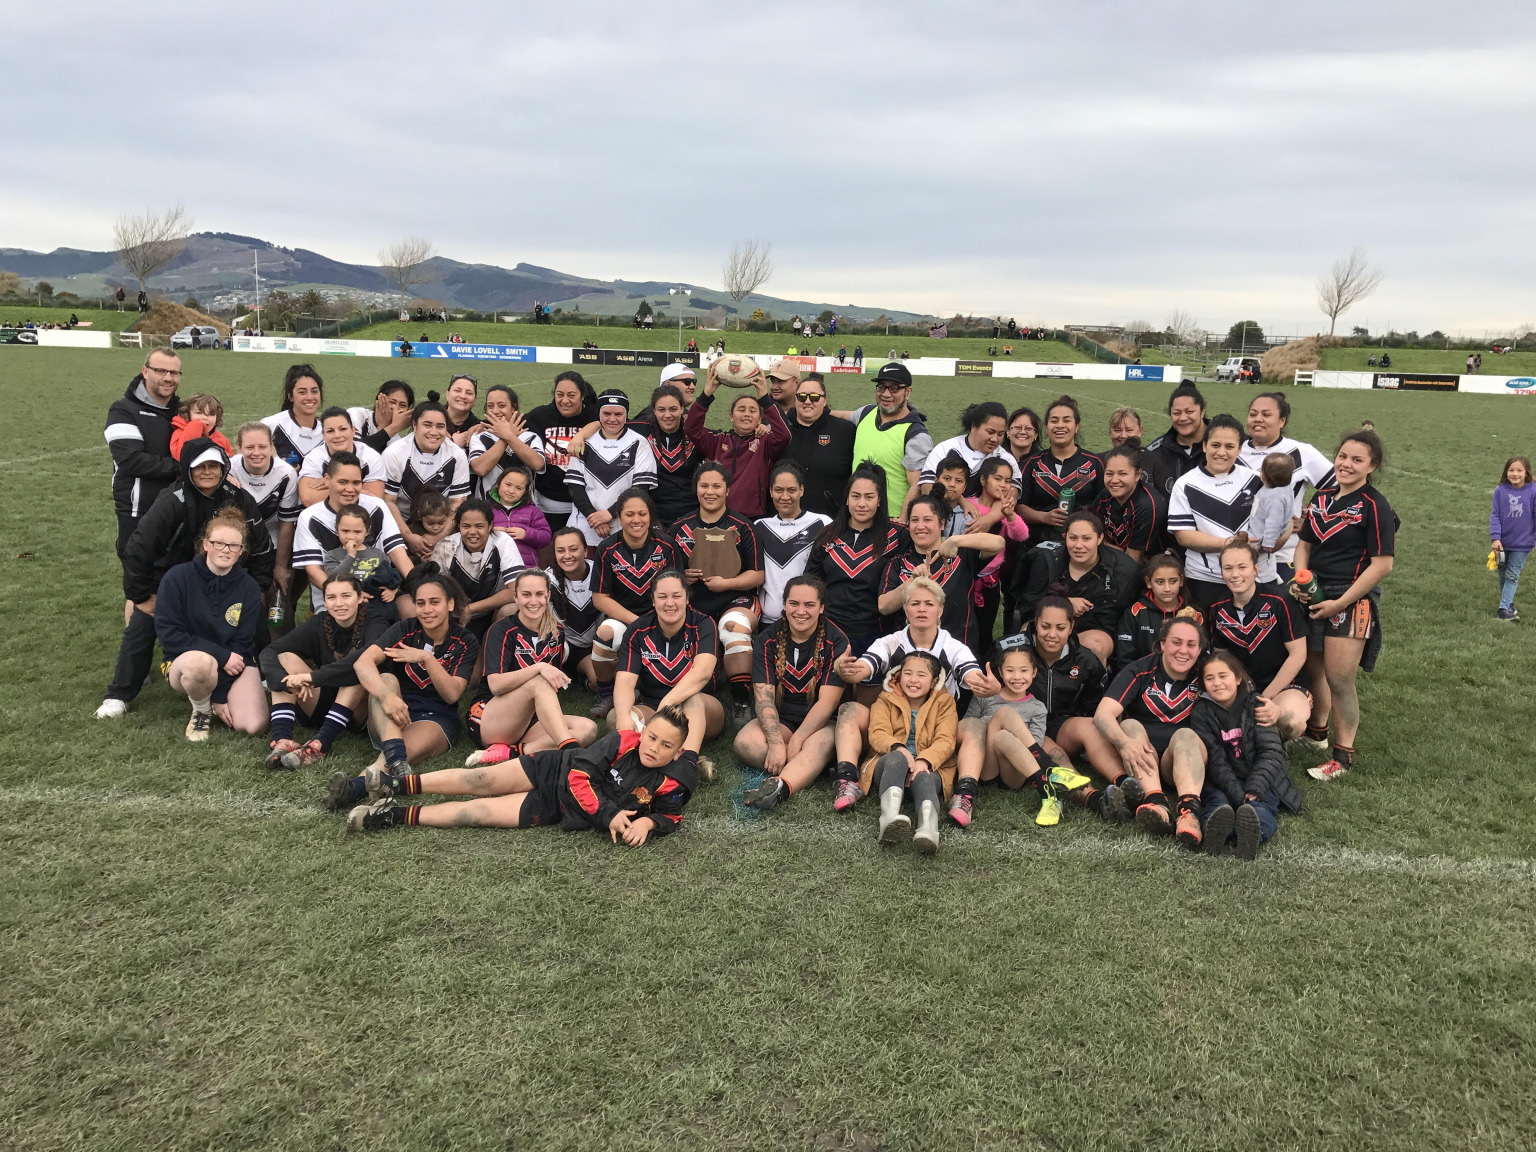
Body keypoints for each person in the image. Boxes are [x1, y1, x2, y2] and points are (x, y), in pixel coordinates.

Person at [343, 706, 697, 845]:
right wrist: (610, 815)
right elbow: (578, 777)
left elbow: (671, 815)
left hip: (558, 808)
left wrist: (648, 825)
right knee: (480, 781)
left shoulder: (674, 781)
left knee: (479, 814)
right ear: (643, 731)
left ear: (678, 753)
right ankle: (395, 783)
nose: (653, 748)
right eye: (651, 736)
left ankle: (392, 815)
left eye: (666, 746)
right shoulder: (621, 741)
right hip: (554, 768)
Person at [100, 439, 276, 716]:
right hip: (171, 578)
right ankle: (119, 694)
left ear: (224, 468)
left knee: (251, 620)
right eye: (200, 467)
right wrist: (142, 596)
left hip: (222, 573)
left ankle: (263, 674)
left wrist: (256, 587)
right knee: (143, 623)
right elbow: (137, 549)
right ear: (187, 469)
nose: (207, 472)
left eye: (214, 466)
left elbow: (263, 547)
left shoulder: (239, 498)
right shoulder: (171, 500)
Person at [830, 578, 1000, 811]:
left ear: (940, 610)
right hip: (894, 728)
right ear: (905, 609)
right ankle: (847, 780)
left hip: (936, 731)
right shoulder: (890, 642)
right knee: (850, 710)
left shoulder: (953, 646)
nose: (921, 609)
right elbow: (863, 668)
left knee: (974, 726)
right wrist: (845, 669)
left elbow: (970, 673)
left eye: (929, 604)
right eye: (915, 603)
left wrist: (989, 686)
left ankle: (964, 795)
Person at [324, 569, 478, 812]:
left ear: (450, 604)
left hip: (435, 719)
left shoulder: (465, 640)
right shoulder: (405, 628)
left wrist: (427, 658)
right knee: (385, 678)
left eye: (434, 602)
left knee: (398, 753)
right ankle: (393, 760)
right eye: (420, 603)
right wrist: (386, 698)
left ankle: (353, 788)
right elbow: (361, 663)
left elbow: (452, 694)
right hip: (393, 715)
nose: (427, 610)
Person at [1291, 429, 1397, 782]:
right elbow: (1304, 544)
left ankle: (1343, 756)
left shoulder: (1375, 505)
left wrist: (1340, 603)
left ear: (1372, 466)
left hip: (1352, 599)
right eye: (1343, 456)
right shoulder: (1322, 497)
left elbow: (1382, 565)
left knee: (1339, 678)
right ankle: (1316, 734)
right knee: (1315, 669)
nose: (1346, 464)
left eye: (1357, 460)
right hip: (1317, 593)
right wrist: (1302, 579)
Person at [154, 505, 269, 742]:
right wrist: (220, 655)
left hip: (234, 661)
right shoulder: (176, 578)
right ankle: (201, 709)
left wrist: (221, 693)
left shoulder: (248, 588)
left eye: (234, 546)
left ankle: (214, 698)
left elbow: (243, 643)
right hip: (185, 659)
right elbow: (170, 635)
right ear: (206, 544)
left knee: (253, 725)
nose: (226, 550)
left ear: (241, 551)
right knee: (200, 663)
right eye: (219, 543)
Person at [950, 643, 1093, 829]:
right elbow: (970, 727)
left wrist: (1004, 731)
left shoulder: (1037, 708)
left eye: (1024, 670)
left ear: (1034, 672)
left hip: (1015, 772)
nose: (1017, 677)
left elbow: (1034, 742)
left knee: (1003, 735)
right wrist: (992, 724)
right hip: (987, 765)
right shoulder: (985, 696)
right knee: (1004, 714)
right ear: (1000, 672)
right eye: (1010, 670)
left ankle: (1048, 794)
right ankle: (1049, 770)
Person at [736, 576, 850, 810]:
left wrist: (798, 739)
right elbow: (763, 697)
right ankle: (809, 767)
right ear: (784, 605)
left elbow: (827, 703)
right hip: (784, 718)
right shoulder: (768, 639)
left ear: (821, 608)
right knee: (745, 743)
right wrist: (777, 742)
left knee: (819, 745)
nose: (801, 611)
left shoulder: (837, 640)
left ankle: (781, 786)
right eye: (794, 603)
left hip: (823, 722)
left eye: (809, 605)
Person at [462, 569, 598, 763]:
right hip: (489, 716)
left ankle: (512, 752)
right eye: (526, 595)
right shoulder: (501, 630)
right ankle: (572, 753)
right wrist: (538, 667)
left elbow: (553, 686)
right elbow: (495, 685)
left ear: (548, 596)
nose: (533, 601)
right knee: (539, 682)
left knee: (588, 730)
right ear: (516, 597)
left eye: (539, 594)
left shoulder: (557, 631)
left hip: (529, 719)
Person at [1093, 616, 1208, 844]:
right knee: (1128, 725)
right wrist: (1123, 743)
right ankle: (1157, 802)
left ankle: (1189, 813)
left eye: (1191, 645)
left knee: (1184, 735)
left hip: (1184, 757)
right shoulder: (1140, 669)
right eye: (1176, 642)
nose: (1183, 651)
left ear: (1200, 649)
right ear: (1163, 643)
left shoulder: (1207, 673)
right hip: (1146, 757)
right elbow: (1102, 715)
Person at [671, 462, 765, 725]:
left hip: (735, 599)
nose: (709, 491)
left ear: (727, 490)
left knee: (732, 627)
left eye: (716, 486)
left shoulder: (743, 527)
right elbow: (670, 574)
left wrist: (726, 583)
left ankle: (741, 700)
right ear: (696, 489)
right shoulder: (680, 528)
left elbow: (758, 574)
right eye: (704, 485)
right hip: (695, 602)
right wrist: (683, 578)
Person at [259, 573, 383, 769]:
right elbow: (270, 651)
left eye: (346, 596)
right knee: (284, 658)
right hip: (321, 702)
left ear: (360, 598)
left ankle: (320, 744)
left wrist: (312, 677)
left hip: (359, 709)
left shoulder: (375, 621)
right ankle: (282, 739)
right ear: (324, 600)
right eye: (331, 597)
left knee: (360, 667)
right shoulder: (320, 622)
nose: (339, 603)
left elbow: (364, 659)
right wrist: (284, 681)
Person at [1190, 650, 1302, 859]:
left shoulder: (1258, 705)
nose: (1217, 683)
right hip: (1221, 780)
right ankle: (1216, 832)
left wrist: (1256, 785)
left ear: (1238, 678)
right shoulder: (1200, 712)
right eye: (1209, 678)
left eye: (1223, 676)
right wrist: (1235, 792)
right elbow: (1215, 759)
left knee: (1260, 806)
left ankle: (1252, 834)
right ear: (1203, 683)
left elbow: (1271, 752)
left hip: (1260, 777)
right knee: (1217, 802)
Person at [613, 571, 724, 778]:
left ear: (687, 599)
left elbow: (702, 673)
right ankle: (664, 757)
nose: (670, 603)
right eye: (662, 597)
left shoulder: (703, 624)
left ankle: (685, 765)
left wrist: (666, 705)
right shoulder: (637, 631)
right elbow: (625, 682)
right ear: (653, 600)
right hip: (652, 706)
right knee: (615, 717)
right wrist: (622, 716)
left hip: (702, 710)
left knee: (692, 700)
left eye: (677, 596)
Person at [589, 488, 684, 719]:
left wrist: (658, 620)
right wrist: (635, 622)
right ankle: (605, 692)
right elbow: (600, 598)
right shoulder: (607, 548)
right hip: (624, 618)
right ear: (619, 517)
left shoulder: (667, 545)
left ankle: (651, 691)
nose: (636, 520)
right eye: (629, 514)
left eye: (642, 513)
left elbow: (678, 589)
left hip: (663, 617)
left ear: (650, 515)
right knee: (605, 633)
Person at [1205, 535, 1311, 740]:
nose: (1235, 574)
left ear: (1255, 569)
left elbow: (1298, 655)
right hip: (1242, 688)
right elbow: (1220, 659)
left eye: (1242, 567)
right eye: (1228, 568)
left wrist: (1264, 697)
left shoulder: (1280, 601)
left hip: (1283, 687)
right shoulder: (1217, 609)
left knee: (1291, 720)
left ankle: (1283, 738)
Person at [805, 461, 908, 657]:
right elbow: (811, 582)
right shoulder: (827, 534)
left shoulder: (898, 536)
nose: (862, 504)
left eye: (869, 497)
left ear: (879, 500)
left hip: (877, 634)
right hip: (830, 631)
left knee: (867, 685)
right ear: (846, 499)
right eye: (855, 496)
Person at [875, 494, 1003, 651]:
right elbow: (884, 606)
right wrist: (911, 582)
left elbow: (998, 543)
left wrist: (955, 540)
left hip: (958, 653)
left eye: (927, 520)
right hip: (912, 658)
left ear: (942, 523)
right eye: (914, 520)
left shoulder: (961, 555)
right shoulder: (898, 563)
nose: (920, 526)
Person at [860, 651, 957, 854]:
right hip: (888, 764)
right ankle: (889, 818)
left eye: (921, 675)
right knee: (897, 759)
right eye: (908, 673)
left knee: (925, 777)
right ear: (899, 675)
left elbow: (946, 740)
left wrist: (924, 760)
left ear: (934, 681)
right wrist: (899, 748)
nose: (913, 680)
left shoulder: (945, 702)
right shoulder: (885, 699)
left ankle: (928, 830)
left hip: (927, 766)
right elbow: (877, 733)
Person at [292, 452, 413, 613]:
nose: (350, 489)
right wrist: (348, 596)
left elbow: (398, 554)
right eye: (343, 482)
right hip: (335, 599)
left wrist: (418, 585)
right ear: (327, 480)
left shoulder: (377, 506)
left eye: (356, 482)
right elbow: (314, 572)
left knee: (412, 608)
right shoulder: (309, 517)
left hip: (379, 596)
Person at [1167, 414, 1266, 609]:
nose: (1221, 452)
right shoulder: (1186, 484)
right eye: (1215, 445)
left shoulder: (1256, 480)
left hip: (1251, 578)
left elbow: (1274, 521)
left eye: (1229, 447)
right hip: (1204, 578)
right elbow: (1183, 536)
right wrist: (1228, 544)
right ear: (1204, 445)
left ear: (1239, 449)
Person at [1019, 510, 1139, 664]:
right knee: (1026, 634)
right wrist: (1064, 604)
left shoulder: (1122, 569)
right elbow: (1029, 604)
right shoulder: (1046, 560)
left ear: (1100, 538)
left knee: (1096, 645)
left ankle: (1092, 686)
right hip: (1050, 624)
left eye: (1086, 539)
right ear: (1064, 537)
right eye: (1073, 538)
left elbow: (1128, 614)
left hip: (1094, 630)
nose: (1079, 546)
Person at [1239, 391, 1335, 581]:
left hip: (1284, 556)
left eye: (1266, 415)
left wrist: (1311, 521)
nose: (1258, 419)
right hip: (1237, 556)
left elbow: (1340, 491)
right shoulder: (1233, 450)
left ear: (1282, 421)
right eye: (1253, 414)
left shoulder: (1301, 452)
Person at [103, 350, 182, 569]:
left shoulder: (182, 411)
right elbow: (132, 461)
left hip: (179, 506)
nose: (168, 378)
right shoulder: (123, 410)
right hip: (138, 509)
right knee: (140, 585)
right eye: (161, 371)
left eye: (174, 372)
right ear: (145, 371)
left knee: (174, 581)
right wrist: (184, 467)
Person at [685, 362, 790, 519]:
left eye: (752, 410)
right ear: (731, 417)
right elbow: (691, 428)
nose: (746, 414)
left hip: (754, 516)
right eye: (741, 410)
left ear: (760, 418)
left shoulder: (765, 442)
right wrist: (705, 395)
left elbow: (784, 435)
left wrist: (764, 399)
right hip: (719, 515)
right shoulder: (718, 441)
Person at [838, 363, 932, 519]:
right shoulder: (866, 413)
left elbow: (917, 485)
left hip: (890, 518)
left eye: (894, 388)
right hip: (857, 514)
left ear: (908, 392)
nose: (886, 394)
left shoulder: (915, 434)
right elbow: (839, 416)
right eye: (881, 387)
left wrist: (902, 519)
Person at [565, 389, 657, 545]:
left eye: (618, 414)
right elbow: (575, 487)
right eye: (606, 413)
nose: (612, 419)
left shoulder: (639, 443)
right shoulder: (584, 442)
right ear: (599, 414)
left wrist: (610, 513)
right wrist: (594, 517)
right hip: (585, 525)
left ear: (626, 414)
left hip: (622, 526)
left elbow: (640, 488)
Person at [381, 397, 472, 554]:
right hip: (400, 527)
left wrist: (440, 536)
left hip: (441, 528)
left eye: (440, 426)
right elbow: (388, 500)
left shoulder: (456, 455)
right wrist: (408, 536)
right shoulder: (394, 453)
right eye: (427, 425)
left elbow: (457, 501)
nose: (434, 432)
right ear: (414, 426)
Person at [229, 421, 299, 622]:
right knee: (245, 602)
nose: (256, 452)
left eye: (262, 447)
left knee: (276, 607)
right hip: (238, 544)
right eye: (249, 447)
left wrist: (280, 566)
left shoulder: (286, 474)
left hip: (273, 543)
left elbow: (287, 523)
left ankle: (279, 649)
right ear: (239, 447)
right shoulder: (228, 468)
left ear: (271, 446)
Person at [429, 498, 525, 644]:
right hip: (455, 615)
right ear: (458, 526)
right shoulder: (446, 546)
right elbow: (433, 592)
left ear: (490, 525)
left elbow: (515, 591)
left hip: (492, 612)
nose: (472, 532)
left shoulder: (502, 541)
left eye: (479, 526)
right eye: (466, 526)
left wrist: (471, 609)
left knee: (512, 609)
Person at [754, 462, 833, 627]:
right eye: (778, 490)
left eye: (791, 490)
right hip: (769, 623)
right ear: (770, 491)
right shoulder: (759, 526)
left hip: (809, 620)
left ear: (801, 490)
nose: (785, 496)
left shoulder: (823, 523)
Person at [1018, 395, 1102, 545]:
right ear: (1047, 426)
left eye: (1067, 420)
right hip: (1037, 543)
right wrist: (1043, 517)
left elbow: (1104, 506)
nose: (1060, 425)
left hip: (1081, 544)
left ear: (1076, 426)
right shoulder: (1031, 463)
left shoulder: (1094, 463)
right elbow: (1018, 506)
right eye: (1054, 420)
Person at [962, 456, 1029, 644]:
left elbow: (1021, 535)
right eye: (997, 479)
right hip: (965, 578)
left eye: (1008, 481)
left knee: (985, 630)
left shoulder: (1005, 510)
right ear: (983, 480)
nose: (1003, 485)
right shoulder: (968, 504)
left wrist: (1011, 515)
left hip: (990, 582)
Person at [523, 371, 600, 530]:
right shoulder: (540, 416)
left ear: (582, 395)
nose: (565, 400)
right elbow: (510, 422)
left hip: (589, 507)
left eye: (571, 395)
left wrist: (581, 435)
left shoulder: (595, 414)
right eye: (560, 394)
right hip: (549, 505)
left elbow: (618, 421)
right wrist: (479, 426)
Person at [781, 375, 855, 517]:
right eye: (802, 397)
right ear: (795, 399)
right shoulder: (780, 429)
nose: (807, 402)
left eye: (814, 397)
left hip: (831, 522)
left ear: (825, 400)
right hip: (785, 521)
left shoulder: (845, 431)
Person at [629, 381, 701, 526]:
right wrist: (580, 436)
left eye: (673, 409)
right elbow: (607, 422)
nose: (667, 415)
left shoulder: (695, 435)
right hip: (653, 516)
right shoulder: (641, 430)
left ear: (682, 409)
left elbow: (726, 441)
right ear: (653, 410)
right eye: (661, 409)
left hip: (691, 515)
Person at [918, 401, 1022, 498]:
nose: (995, 439)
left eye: (1000, 434)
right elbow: (927, 488)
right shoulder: (945, 449)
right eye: (990, 432)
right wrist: (962, 502)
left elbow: (1010, 498)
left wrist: (983, 517)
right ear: (973, 427)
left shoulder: (1006, 459)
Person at [1114, 553, 1201, 667]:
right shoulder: (1135, 613)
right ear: (1148, 582)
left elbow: (1202, 656)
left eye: (1173, 581)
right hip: (1143, 678)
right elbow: (1125, 659)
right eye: (1160, 582)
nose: (1167, 588)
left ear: (1181, 581)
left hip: (1184, 679)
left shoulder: (1195, 615)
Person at [467, 384, 547, 500]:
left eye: (502, 405)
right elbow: (480, 468)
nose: (495, 411)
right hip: (487, 509)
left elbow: (537, 464)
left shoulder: (530, 437)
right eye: (490, 406)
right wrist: (505, 438)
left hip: (524, 511)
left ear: (513, 409)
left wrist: (510, 437)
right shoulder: (480, 436)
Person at [297, 406, 387, 507]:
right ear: (323, 435)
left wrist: (331, 484)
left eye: (343, 429)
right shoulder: (314, 458)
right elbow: (309, 500)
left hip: (361, 517)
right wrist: (358, 491)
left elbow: (372, 501)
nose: (337, 435)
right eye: (330, 431)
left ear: (353, 430)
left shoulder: (370, 457)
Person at [1092, 441, 1166, 563]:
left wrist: (1099, 543)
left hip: (1154, 568)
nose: (1114, 480)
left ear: (1138, 475)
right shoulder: (1105, 495)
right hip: (1119, 559)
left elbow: (1132, 560)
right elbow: (1090, 529)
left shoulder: (1148, 505)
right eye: (1109, 474)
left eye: (1122, 474)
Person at [547, 525, 600, 691]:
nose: (567, 556)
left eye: (573, 549)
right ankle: (568, 670)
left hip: (598, 644)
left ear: (585, 551)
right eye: (560, 551)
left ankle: (579, 678)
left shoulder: (601, 572)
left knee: (601, 681)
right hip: (564, 648)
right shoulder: (546, 579)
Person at [320, 504, 402, 609]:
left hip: (377, 604)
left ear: (367, 531)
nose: (351, 536)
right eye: (345, 531)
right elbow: (334, 578)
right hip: (347, 606)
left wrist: (393, 590)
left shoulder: (377, 554)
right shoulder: (332, 556)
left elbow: (392, 576)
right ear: (337, 530)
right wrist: (350, 555)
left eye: (357, 532)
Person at [1140, 383, 1208, 498]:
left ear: (1202, 412)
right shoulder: (1155, 451)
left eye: (1189, 412)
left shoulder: (1223, 444)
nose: (1182, 418)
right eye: (1176, 413)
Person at [1491, 455, 1533, 621]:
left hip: (1523, 543)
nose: (1515, 473)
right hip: (1502, 542)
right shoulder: (1500, 490)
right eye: (1511, 470)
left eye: (1519, 470)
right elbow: (1495, 515)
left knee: (1512, 574)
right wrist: (1495, 538)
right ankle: (1508, 605)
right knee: (1502, 573)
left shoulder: (1533, 490)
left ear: (1526, 473)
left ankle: (1503, 610)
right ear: (1506, 471)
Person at [263, 364, 326, 466]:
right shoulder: (271, 425)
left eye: (314, 391)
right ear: (290, 396)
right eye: (302, 392)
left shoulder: (328, 432)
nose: (310, 397)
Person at [489, 465, 552, 567]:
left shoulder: (532, 511)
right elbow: (476, 532)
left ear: (525, 491)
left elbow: (546, 537)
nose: (511, 491)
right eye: (508, 484)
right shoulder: (485, 509)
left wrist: (526, 534)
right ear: (499, 483)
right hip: (493, 567)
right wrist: (491, 532)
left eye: (518, 488)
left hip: (526, 568)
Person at [1249, 454, 1297, 556]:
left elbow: (1274, 522)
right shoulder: (1285, 489)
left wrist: (1269, 542)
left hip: (1258, 536)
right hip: (1259, 531)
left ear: (1262, 475)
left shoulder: (1274, 497)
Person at [349, 380, 415, 454]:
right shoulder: (357, 415)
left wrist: (385, 427)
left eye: (402, 405)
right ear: (379, 401)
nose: (396, 408)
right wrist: (394, 427)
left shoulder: (396, 441)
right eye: (392, 402)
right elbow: (352, 451)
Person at [170, 394, 232, 461]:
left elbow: (231, 462)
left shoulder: (221, 439)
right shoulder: (179, 433)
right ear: (187, 414)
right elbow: (180, 456)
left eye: (211, 414)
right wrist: (194, 428)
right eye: (198, 413)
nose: (204, 417)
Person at [442, 374, 483, 447]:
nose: (463, 396)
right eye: (458, 390)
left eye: (469, 393)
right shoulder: (430, 418)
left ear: (474, 400)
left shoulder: (478, 428)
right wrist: (453, 443)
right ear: (447, 394)